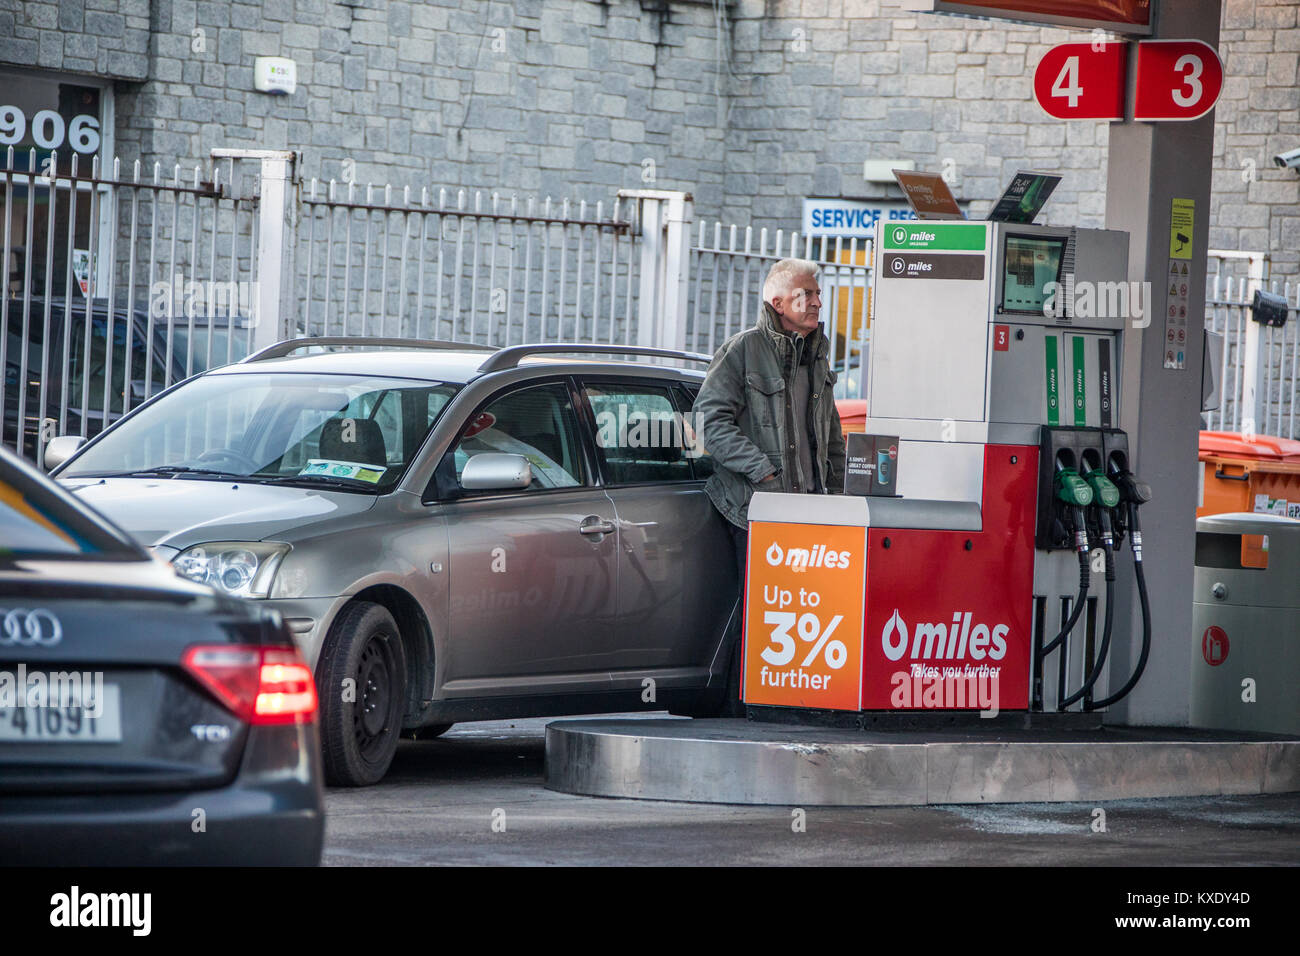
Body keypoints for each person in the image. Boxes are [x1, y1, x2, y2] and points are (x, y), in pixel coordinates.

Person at [692, 257, 847, 712]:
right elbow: (707, 420)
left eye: (818, 293)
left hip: (809, 512)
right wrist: (762, 470)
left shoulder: (817, 355)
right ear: (777, 301)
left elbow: (831, 433)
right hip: (755, 510)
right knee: (761, 611)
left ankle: (788, 704)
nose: (818, 301)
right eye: (807, 294)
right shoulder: (743, 350)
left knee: (801, 614)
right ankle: (742, 708)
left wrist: (838, 493)